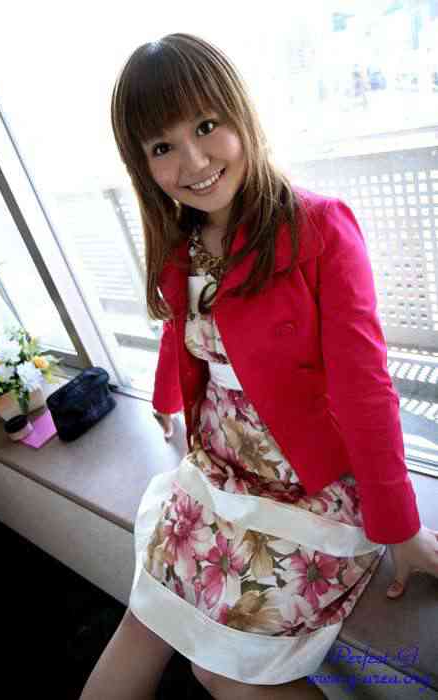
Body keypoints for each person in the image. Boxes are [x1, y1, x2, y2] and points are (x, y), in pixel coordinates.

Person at [79, 33, 438, 700]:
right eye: (161, 147)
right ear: (143, 165)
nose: (193, 162)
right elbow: (184, 336)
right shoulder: (183, 239)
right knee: (147, 617)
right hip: (221, 464)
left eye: (206, 126)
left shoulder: (318, 227)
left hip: (307, 480)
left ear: (239, 113)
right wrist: (169, 406)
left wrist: (402, 526)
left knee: (218, 669)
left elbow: (364, 388)